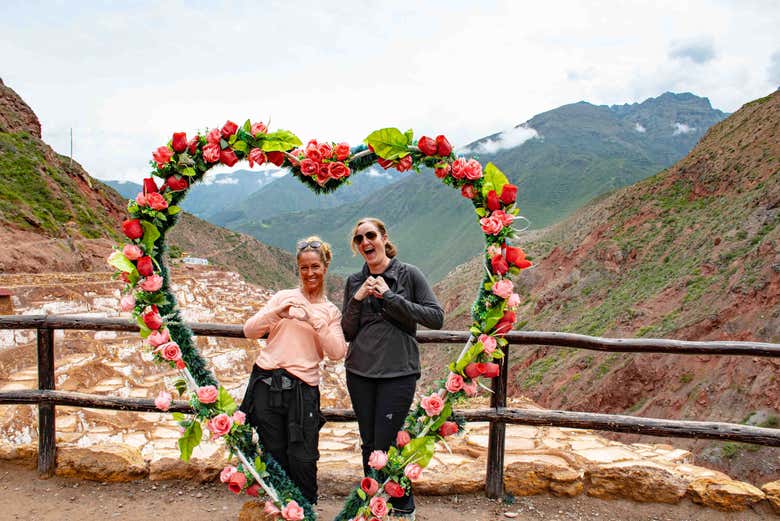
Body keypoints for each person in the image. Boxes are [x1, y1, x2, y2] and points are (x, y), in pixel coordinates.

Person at [341, 218, 444, 519]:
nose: (365, 243)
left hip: (398, 371)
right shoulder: (353, 281)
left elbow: (435, 317)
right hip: (359, 371)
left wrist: (389, 296)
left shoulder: (408, 274)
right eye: (359, 239)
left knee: (390, 443)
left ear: (384, 238)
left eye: (370, 235)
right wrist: (358, 299)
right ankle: (372, 504)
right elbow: (347, 331)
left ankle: (403, 507)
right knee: (369, 442)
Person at [240, 236, 347, 504]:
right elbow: (250, 330)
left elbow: (337, 352)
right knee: (273, 452)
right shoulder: (282, 298)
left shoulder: (330, 311)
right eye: (304, 268)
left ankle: (305, 508)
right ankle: (279, 506)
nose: (309, 273)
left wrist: (313, 319)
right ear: (298, 269)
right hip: (267, 384)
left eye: (315, 267)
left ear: (325, 267)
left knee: (303, 457)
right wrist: (278, 312)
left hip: (303, 390)